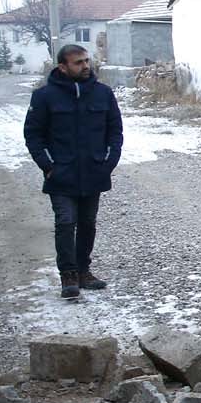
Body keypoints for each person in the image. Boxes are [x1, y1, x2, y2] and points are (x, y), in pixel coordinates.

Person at [23, 43, 123, 299]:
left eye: (87, 61)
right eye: (78, 62)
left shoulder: (103, 94)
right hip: (61, 173)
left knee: (88, 223)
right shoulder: (44, 97)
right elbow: (33, 135)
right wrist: (48, 166)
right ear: (63, 67)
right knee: (66, 222)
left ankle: (83, 270)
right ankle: (68, 274)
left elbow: (115, 132)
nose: (86, 66)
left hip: (93, 171)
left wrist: (108, 163)